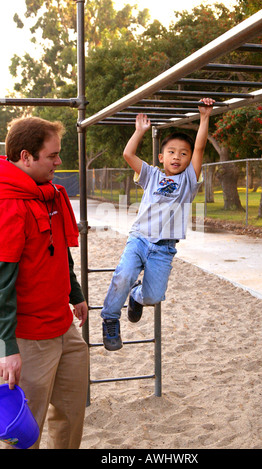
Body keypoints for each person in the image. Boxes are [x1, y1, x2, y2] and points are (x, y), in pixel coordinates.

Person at [0, 117, 89, 449]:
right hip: (30, 337)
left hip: (63, 325)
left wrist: (75, 292)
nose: (59, 161)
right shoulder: (9, 203)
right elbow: (2, 283)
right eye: (52, 155)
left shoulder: (47, 195)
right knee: (25, 431)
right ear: (26, 157)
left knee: (71, 413)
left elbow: (58, 249)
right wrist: (7, 349)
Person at [101, 98, 214, 351]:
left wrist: (204, 117)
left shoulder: (188, 180)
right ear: (162, 157)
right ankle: (110, 318)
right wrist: (139, 131)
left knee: (153, 296)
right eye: (172, 152)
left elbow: (200, 149)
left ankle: (136, 296)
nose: (178, 157)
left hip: (164, 248)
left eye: (183, 154)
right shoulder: (151, 174)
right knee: (124, 275)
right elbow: (128, 154)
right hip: (140, 238)